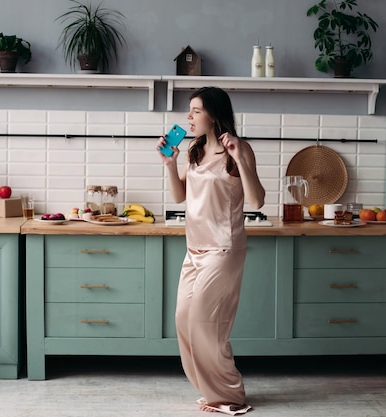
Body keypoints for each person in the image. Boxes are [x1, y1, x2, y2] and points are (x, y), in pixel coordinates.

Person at [157, 86, 265, 415]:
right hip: (195, 249)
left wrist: (237, 159)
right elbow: (180, 197)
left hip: (224, 247)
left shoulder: (239, 148)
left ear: (214, 114)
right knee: (183, 319)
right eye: (189, 111)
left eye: (195, 111)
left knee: (206, 322)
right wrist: (169, 163)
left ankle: (229, 395)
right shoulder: (193, 151)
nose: (188, 117)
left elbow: (257, 200)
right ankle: (211, 390)